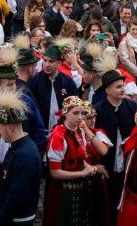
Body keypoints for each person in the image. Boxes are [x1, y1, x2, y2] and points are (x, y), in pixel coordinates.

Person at [44, 96, 104, 226]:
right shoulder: (58, 135)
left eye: (83, 113)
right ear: (65, 113)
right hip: (63, 192)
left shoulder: (79, 130)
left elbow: (80, 159)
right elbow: (55, 172)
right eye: (75, 113)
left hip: (79, 189)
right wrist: (83, 173)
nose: (80, 117)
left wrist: (91, 167)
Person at [94, 58, 137, 224]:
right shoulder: (98, 110)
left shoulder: (131, 107)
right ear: (107, 90)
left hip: (126, 165)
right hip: (107, 166)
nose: (123, 89)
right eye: (118, 87)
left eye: (123, 86)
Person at [0, 89, 42, 226]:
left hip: (16, 220)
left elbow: (16, 196)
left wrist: (1, 222)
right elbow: (11, 173)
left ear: (10, 128)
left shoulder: (24, 154)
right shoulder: (17, 146)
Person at [28, 43, 80, 130]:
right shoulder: (35, 81)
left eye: (51, 61)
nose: (47, 64)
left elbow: (74, 106)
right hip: (41, 129)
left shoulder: (68, 82)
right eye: (45, 60)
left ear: (59, 63)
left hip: (62, 129)